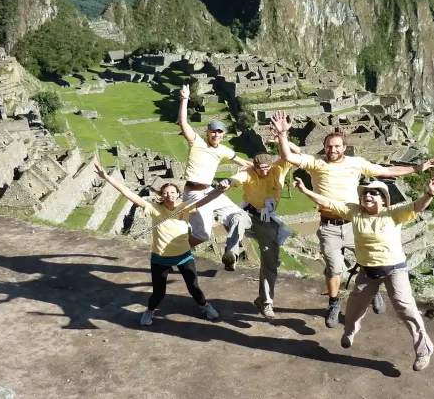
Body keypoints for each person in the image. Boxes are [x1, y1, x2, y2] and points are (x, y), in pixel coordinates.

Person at [271, 110, 434, 328]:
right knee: (334, 268)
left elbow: (386, 171)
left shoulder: (356, 163)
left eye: (337, 146)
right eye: (329, 146)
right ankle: (333, 303)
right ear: (325, 147)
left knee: (368, 260)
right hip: (329, 224)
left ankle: (371, 292)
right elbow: (288, 157)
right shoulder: (315, 162)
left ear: (344, 147)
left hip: (355, 223)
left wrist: (417, 168)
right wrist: (283, 134)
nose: (333, 150)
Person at [294, 175, 434, 372]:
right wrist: (305, 191)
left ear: (383, 199)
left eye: (374, 193)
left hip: (394, 269)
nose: (367, 195)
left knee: (405, 307)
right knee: (355, 305)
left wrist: (430, 193)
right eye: (365, 193)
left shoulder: (393, 213)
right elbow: (328, 202)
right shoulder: (355, 212)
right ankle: (350, 331)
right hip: (367, 270)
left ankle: (424, 349)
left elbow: (417, 207)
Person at [94, 161, 223, 324]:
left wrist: (221, 189)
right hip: (160, 257)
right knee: (159, 292)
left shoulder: (185, 207)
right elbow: (128, 194)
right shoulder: (155, 208)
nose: (169, 195)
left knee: (194, 287)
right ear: (161, 195)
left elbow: (207, 199)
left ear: (178, 194)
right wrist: (107, 178)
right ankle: (149, 312)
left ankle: (205, 306)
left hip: (184, 256)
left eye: (173, 192)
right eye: (166, 192)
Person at [177, 84, 253, 271]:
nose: (216, 135)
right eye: (213, 131)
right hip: (194, 194)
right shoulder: (196, 142)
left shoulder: (225, 150)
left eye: (220, 132)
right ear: (207, 133)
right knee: (203, 236)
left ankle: (231, 253)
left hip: (211, 191)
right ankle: (176, 253)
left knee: (238, 215)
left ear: (223, 135)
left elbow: (245, 164)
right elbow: (183, 123)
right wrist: (185, 99)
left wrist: (270, 168)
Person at [218, 153, 294, 319]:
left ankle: (265, 302)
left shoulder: (278, 169)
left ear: (271, 165)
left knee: (270, 262)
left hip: (266, 219)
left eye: (267, 168)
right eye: (260, 169)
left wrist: (282, 133)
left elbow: (288, 152)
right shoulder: (249, 173)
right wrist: (227, 182)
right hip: (249, 213)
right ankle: (231, 255)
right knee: (238, 218)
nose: (264, 171)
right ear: (254, 167)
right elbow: (236, 179)